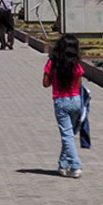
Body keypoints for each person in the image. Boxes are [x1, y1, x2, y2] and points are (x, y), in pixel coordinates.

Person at [43, 34, 84, 178]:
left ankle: (76, 165)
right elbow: (79, 84)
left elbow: (45, 84)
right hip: (76, 100)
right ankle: (63, 164)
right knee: (69, 135)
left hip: (61, 101)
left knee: (67, 135)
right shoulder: (76, 64)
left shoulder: (53, 63)